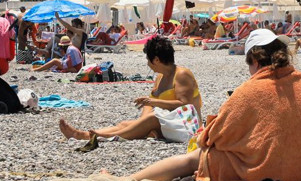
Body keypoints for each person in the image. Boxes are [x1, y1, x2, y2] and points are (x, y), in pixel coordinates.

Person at [112, 29, 301, 181]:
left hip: (276, 171)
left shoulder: (251, 89)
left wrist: (208, 136)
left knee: (197, 158)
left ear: (256, 62)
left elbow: (214, 137)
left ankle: (127, 180)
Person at [59, 35, 201, 143]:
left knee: (152, 118)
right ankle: (83, 134)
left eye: (148, 59)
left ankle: (106, 136)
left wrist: (152, 104)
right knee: (126, 124)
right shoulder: (160, 78)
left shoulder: (182, 75)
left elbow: (186, 105)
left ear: (156, 60)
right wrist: (142, 121)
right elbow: (149, 104)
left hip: (187, 125)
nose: (148, 64)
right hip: (167, 121)